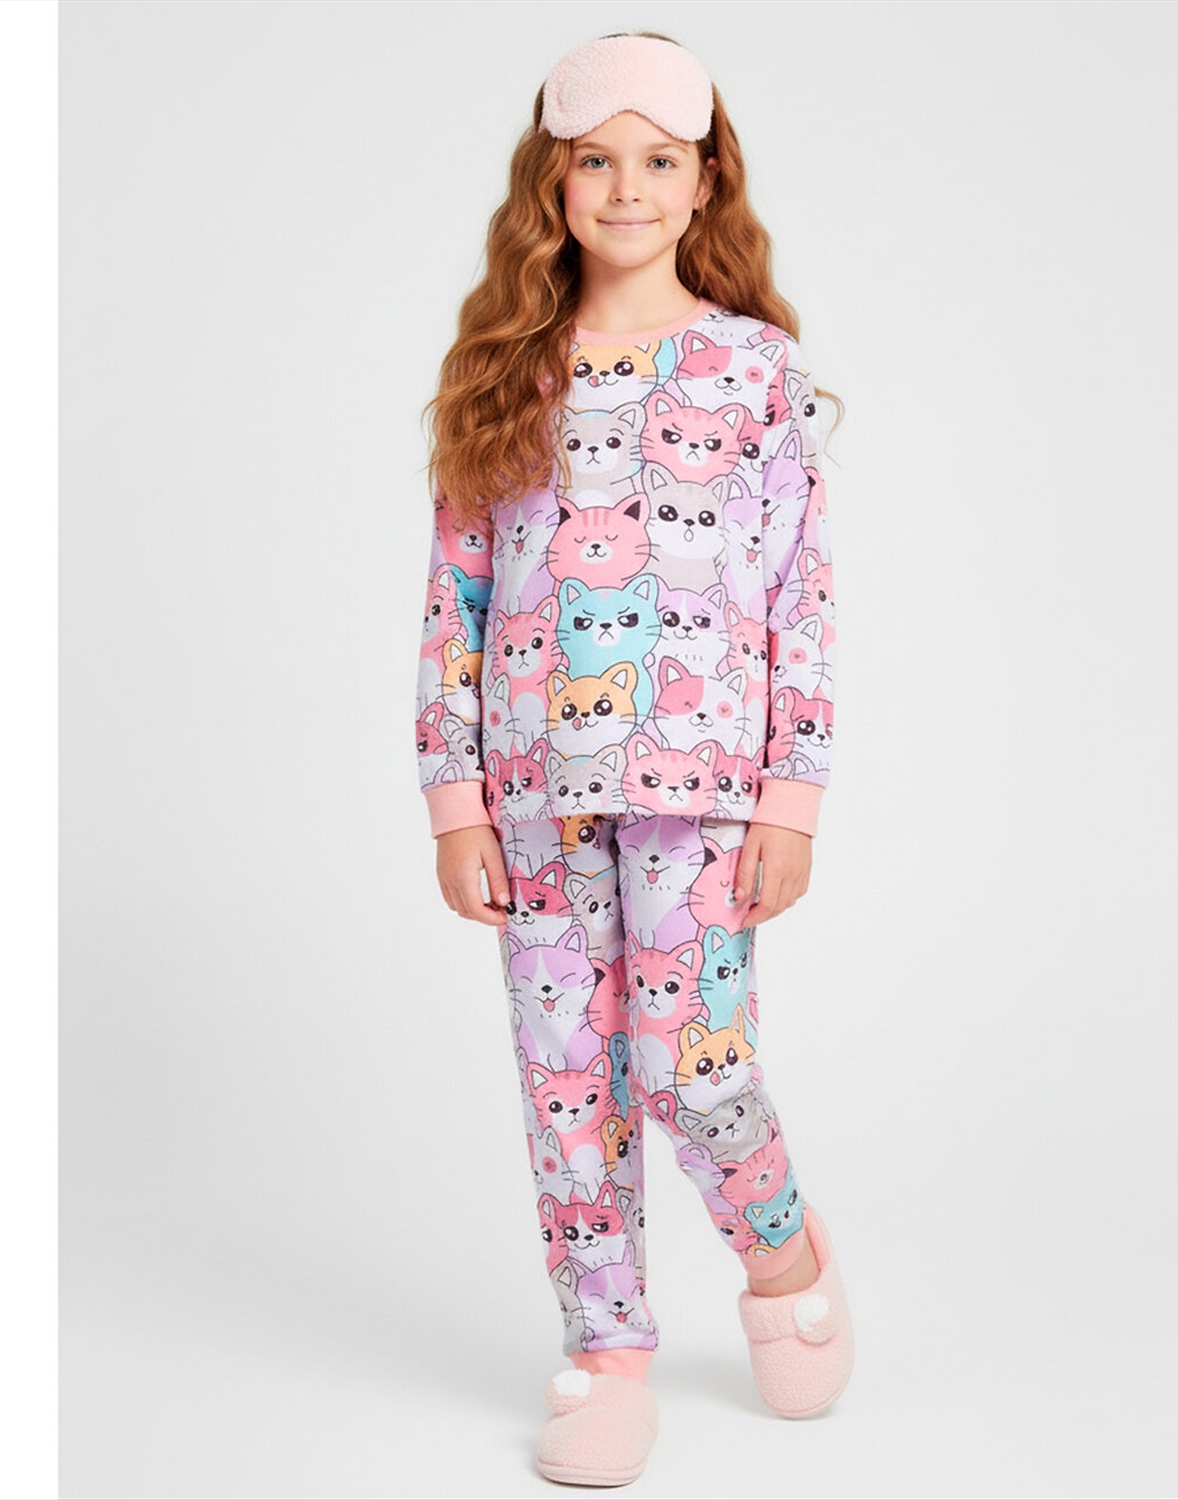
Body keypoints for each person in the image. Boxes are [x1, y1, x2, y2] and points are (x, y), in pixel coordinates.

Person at [413, 30, 854, 1486]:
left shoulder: (753, 371)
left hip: (703, 793)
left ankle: (783, 1257)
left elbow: (799, 599)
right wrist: (454, 801)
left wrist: (791, 798)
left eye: (659, 162)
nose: (626, 189)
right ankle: (603, 1354)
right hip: (532, 794)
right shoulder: (504, 375)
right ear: (552, 182)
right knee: (567, 1078)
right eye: (596, 161)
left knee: (689, 1063)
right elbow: (456, 604)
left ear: (704, 180)